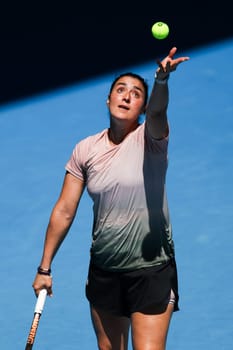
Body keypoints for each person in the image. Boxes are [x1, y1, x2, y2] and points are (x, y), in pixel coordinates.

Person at [32, 47, 189, 350]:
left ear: (143, 107)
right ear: (108, 99)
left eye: (136, 94)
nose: (127, 96)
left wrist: (161, 81)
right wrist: (44, 267)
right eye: (120, 90)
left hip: (152, 269)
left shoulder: (152, 139)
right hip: (105, 271)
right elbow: (65, 209)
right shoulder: (85, 150)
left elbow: (158, 111)